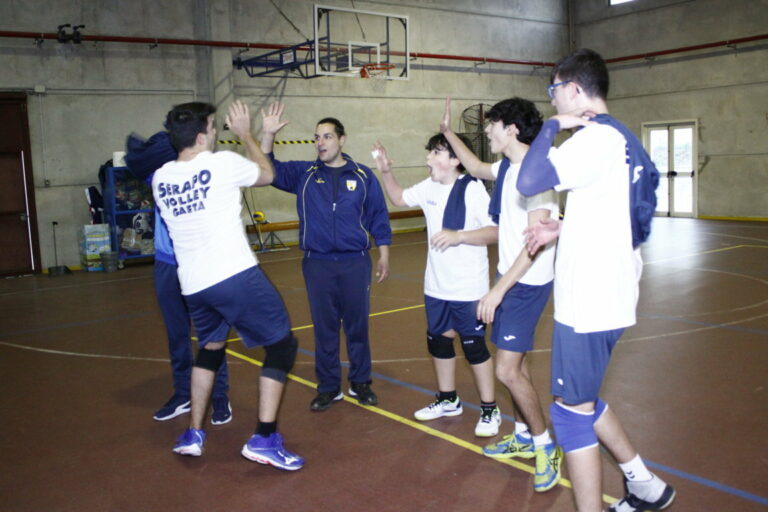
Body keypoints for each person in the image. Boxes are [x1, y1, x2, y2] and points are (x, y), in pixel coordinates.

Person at [517, 48, 676, 511]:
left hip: (589, 299)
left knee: (569, 416)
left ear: (573, 89)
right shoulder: (624, 139)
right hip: (612, 289)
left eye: (554, 92)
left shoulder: (590, 138)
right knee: (581, 398)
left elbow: (531, 180)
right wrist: (562, 226)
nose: (552, 103)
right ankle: (645, 485)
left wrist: (551, 129)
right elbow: (619, 214)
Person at [152, 100, 303, 471]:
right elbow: (267, 173)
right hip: (233, 276)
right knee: (283, 347)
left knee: (210, 350)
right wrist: (247, 135)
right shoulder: (222, 163)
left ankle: (193, 433)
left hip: (193, 285)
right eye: (215, 126)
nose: (217, 131)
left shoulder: (161, 177)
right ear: (203, 135)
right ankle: (265, 438)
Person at [439, 97, 562, 493]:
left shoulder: (537, 174)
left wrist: (496, 290)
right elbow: (474, 167)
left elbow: (535, 247)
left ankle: (546, 447)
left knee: (506, 369)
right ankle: (525, 435)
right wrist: (447, 134)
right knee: (516, 366)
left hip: (526, 281)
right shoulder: (507, 165)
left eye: (492, 125)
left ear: (510, 129)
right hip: (508, 275)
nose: (486, 130)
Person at [260, 102, 392, 412]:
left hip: (355, 263)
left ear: (342, 140)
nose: (321, 142)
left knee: (357, 327)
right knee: (325, 328)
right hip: (317, 264)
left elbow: (378, 217)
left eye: (327, 136)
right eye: (317, 137)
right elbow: (267, 168)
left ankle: (361, 383)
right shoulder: (303, 174)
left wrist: (383, 254)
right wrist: (267, 135)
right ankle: (329, 387)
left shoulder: (362, 176)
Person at [373, 134, 500, 437]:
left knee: (473, 347)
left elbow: (495, 231)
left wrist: (459, 236)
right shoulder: (428, 187)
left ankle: (489, 408)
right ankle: (448, 399)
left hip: (468, 287)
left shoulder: (472, 189)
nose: (429, 158)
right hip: (436, 286)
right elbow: (399, 198)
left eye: (436, 153)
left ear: (455, 159)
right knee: (439, 343)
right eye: (429, 152)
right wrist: (385, 171)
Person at [125, 131, 232, 426]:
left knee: (211, 335)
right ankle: (183, 393)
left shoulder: (204, 176)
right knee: (177, 336)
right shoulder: (159, 177)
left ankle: (220, 395)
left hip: (201, 263)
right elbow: (139, 165)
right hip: (167, 266)